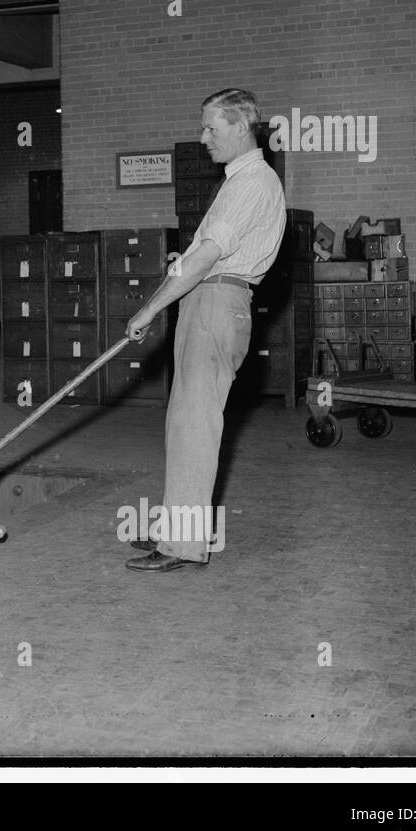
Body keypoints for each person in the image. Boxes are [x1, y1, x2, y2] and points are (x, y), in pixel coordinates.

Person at [123, 88, 286, 572]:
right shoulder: (242, 180)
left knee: (195, 424)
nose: (204, 137)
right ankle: (178, 529)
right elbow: (203, 256)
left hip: (217, 299)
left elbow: (208, 256)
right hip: (210, 299)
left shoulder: (253, 182)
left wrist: (150, 309)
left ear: (241, 127)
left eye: (212, 128)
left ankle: (183, 545)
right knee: (185, 420)